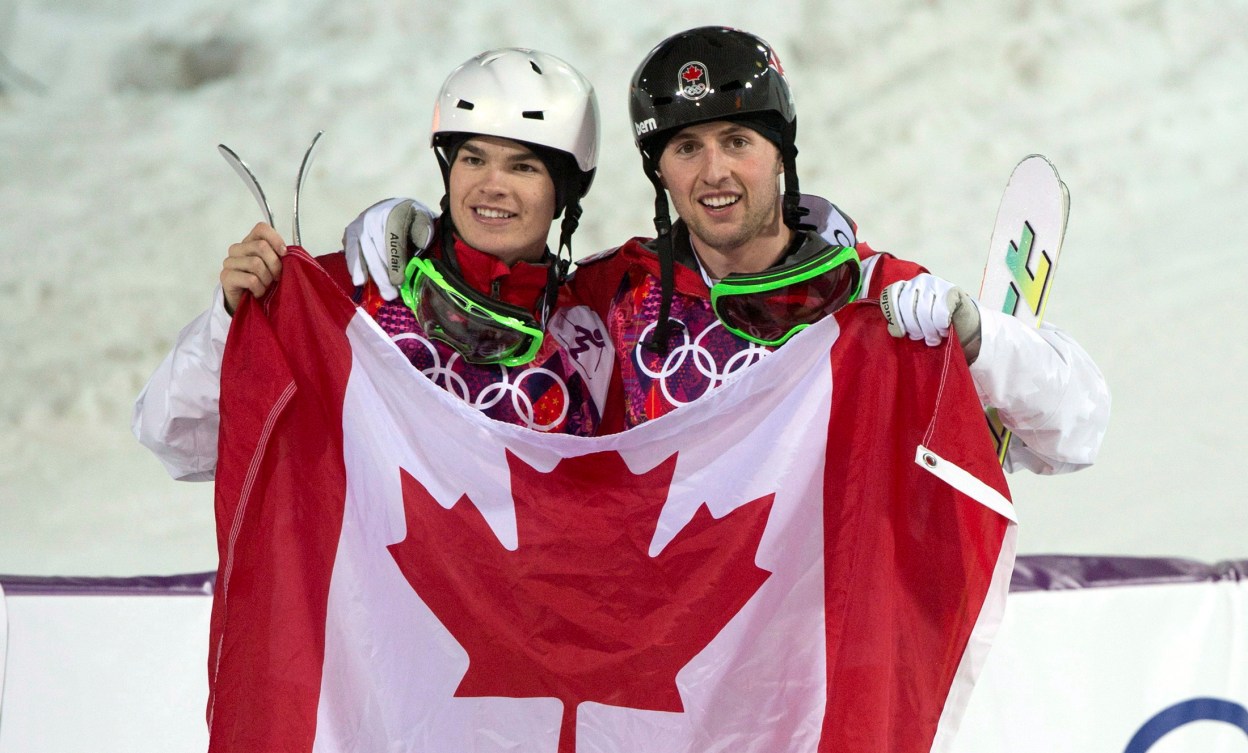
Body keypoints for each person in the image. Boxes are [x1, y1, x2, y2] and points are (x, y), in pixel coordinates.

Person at [561, 26, 1109, 473]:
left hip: (836, 606)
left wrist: (980, 339)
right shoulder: (618, 295)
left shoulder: (874, 295)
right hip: (684, 603)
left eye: (737, 141)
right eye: (686, 148)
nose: (714, 172)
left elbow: (1076, 433)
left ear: (781, 154)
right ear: (658, 172)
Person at [133, 48, 614, 481]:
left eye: (523, 166)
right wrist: (232, 323)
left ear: (565, 191)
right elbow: (178, 438)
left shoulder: (588, 337)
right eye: (472, 159)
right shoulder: (357, 289)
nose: (492, 186)